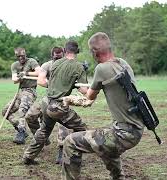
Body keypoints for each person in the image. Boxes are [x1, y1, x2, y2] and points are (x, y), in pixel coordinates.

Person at [62, 32, 145, 180]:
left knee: (70, 141)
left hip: (123, 133)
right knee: (106, 146)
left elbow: (89, 98)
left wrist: (70, 99)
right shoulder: (122, 63)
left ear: (94, 52)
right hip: (135, 128)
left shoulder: (101, 69)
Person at [22, 41, 88, 165]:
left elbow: (53, 80)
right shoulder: (78, 66)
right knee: (82, 129)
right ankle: (73, 156)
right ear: (77, 51)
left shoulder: (55, 63)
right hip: (58, 106)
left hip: (46, 102)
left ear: (65, 50)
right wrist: (97, 87)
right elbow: (84, 90)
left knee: (44, 130)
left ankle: (28, 157)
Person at [25, 46, 72, 164]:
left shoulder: (69, 65)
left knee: (64, 125)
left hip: (63, 100)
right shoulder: (47, 65)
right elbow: (40, 80)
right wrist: (52, 85)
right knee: (30, 116)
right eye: (56, 58)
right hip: (48, 98)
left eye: (60, 57)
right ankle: (42, 139)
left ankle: (62, 150)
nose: (58, 60)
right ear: (52, 56)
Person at [2, 47, 41, 144]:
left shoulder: (31, 61)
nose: (20, 58)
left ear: (25, 54)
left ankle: (22, 133)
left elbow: (39, 72)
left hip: (30, 91)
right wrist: (19, 77)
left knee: (22, 110)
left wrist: (26, 73)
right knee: (5, 112)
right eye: (18, 56)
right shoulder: (14, 65)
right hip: (20, 92)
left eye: (22, 56)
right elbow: (14, 80)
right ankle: (20, 128)